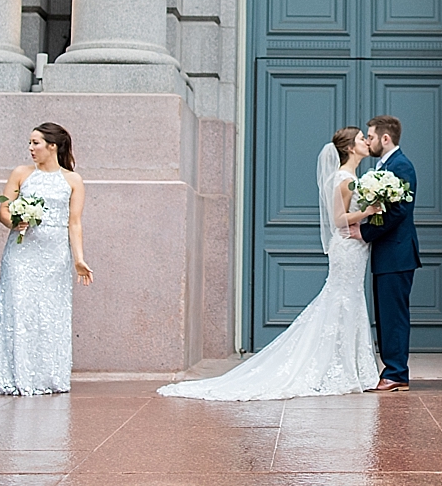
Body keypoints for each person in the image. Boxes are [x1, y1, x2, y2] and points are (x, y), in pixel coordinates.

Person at [161, 128, 381, 399]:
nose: (366, 142)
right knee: (341, 299)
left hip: (355, 248)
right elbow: (338, 219)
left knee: (348, 300)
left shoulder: (354, 178)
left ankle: (350, 366)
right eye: (362, 138)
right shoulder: (346, 179)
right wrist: (369, 211)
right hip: (347, 248)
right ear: (349, 148)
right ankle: (341, 367)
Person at [0, 122, 92, 395]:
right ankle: (14, 376)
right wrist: (15, 221)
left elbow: (75, 222)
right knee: (19, 310)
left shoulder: (72, 180)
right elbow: (3, 211)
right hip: (21, 252)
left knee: (49, 314)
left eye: (36, 143)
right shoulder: (21, 174)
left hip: (55, 255)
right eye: (30, 143)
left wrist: (79, 258)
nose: (31, 148)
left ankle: (48, 376)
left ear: (52, 146)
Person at [359, 115, 419, 392]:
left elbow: (398, 211)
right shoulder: (385, 166)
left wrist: (365, 233)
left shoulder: (401, 166)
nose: (367, 141)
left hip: (397, 254)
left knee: (394, 316)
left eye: (370, 136)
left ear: (385, 138)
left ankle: (396, 373)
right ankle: (392, 370)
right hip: (386, 255)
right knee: (385, 315)